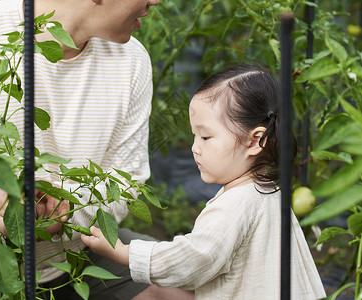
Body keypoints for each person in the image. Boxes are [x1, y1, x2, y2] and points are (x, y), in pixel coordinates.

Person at [0, 0, 195, 299]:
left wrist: (64, 208)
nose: (156, 1)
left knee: (187, 290)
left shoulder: (131, 59)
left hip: (73, 255)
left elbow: (126, 182)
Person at [81, 64, 327, 299]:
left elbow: (193, 260)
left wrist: (123, 253)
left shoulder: (235, 204)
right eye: (194, 136)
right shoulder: (270, 192)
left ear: (254, 141)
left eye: (206, 137)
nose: (195, 148)